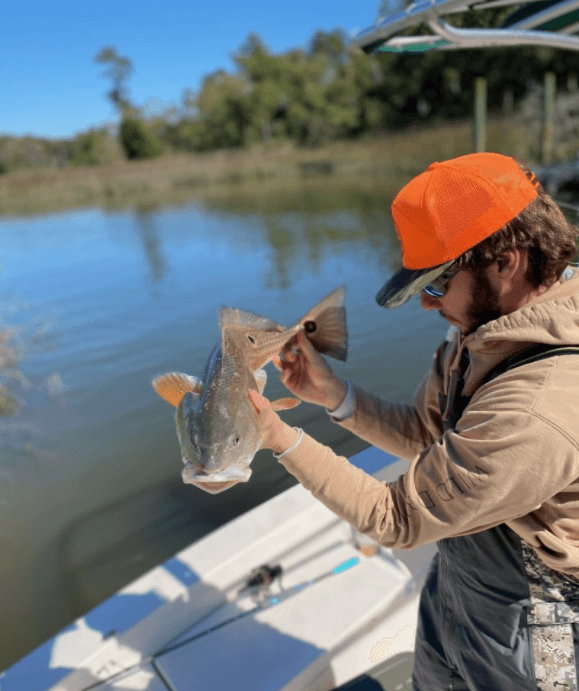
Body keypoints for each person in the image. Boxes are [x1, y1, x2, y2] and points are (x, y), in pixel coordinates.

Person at [248, 152, 579, 691]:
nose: (428, 305)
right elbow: (429, 437)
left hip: (537, 623)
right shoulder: (487, 333)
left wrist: (278, 437)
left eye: (437, 283)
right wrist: (332, 394)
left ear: (507, 261)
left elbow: (396, 518)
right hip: (457, 589)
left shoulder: (540, 403)